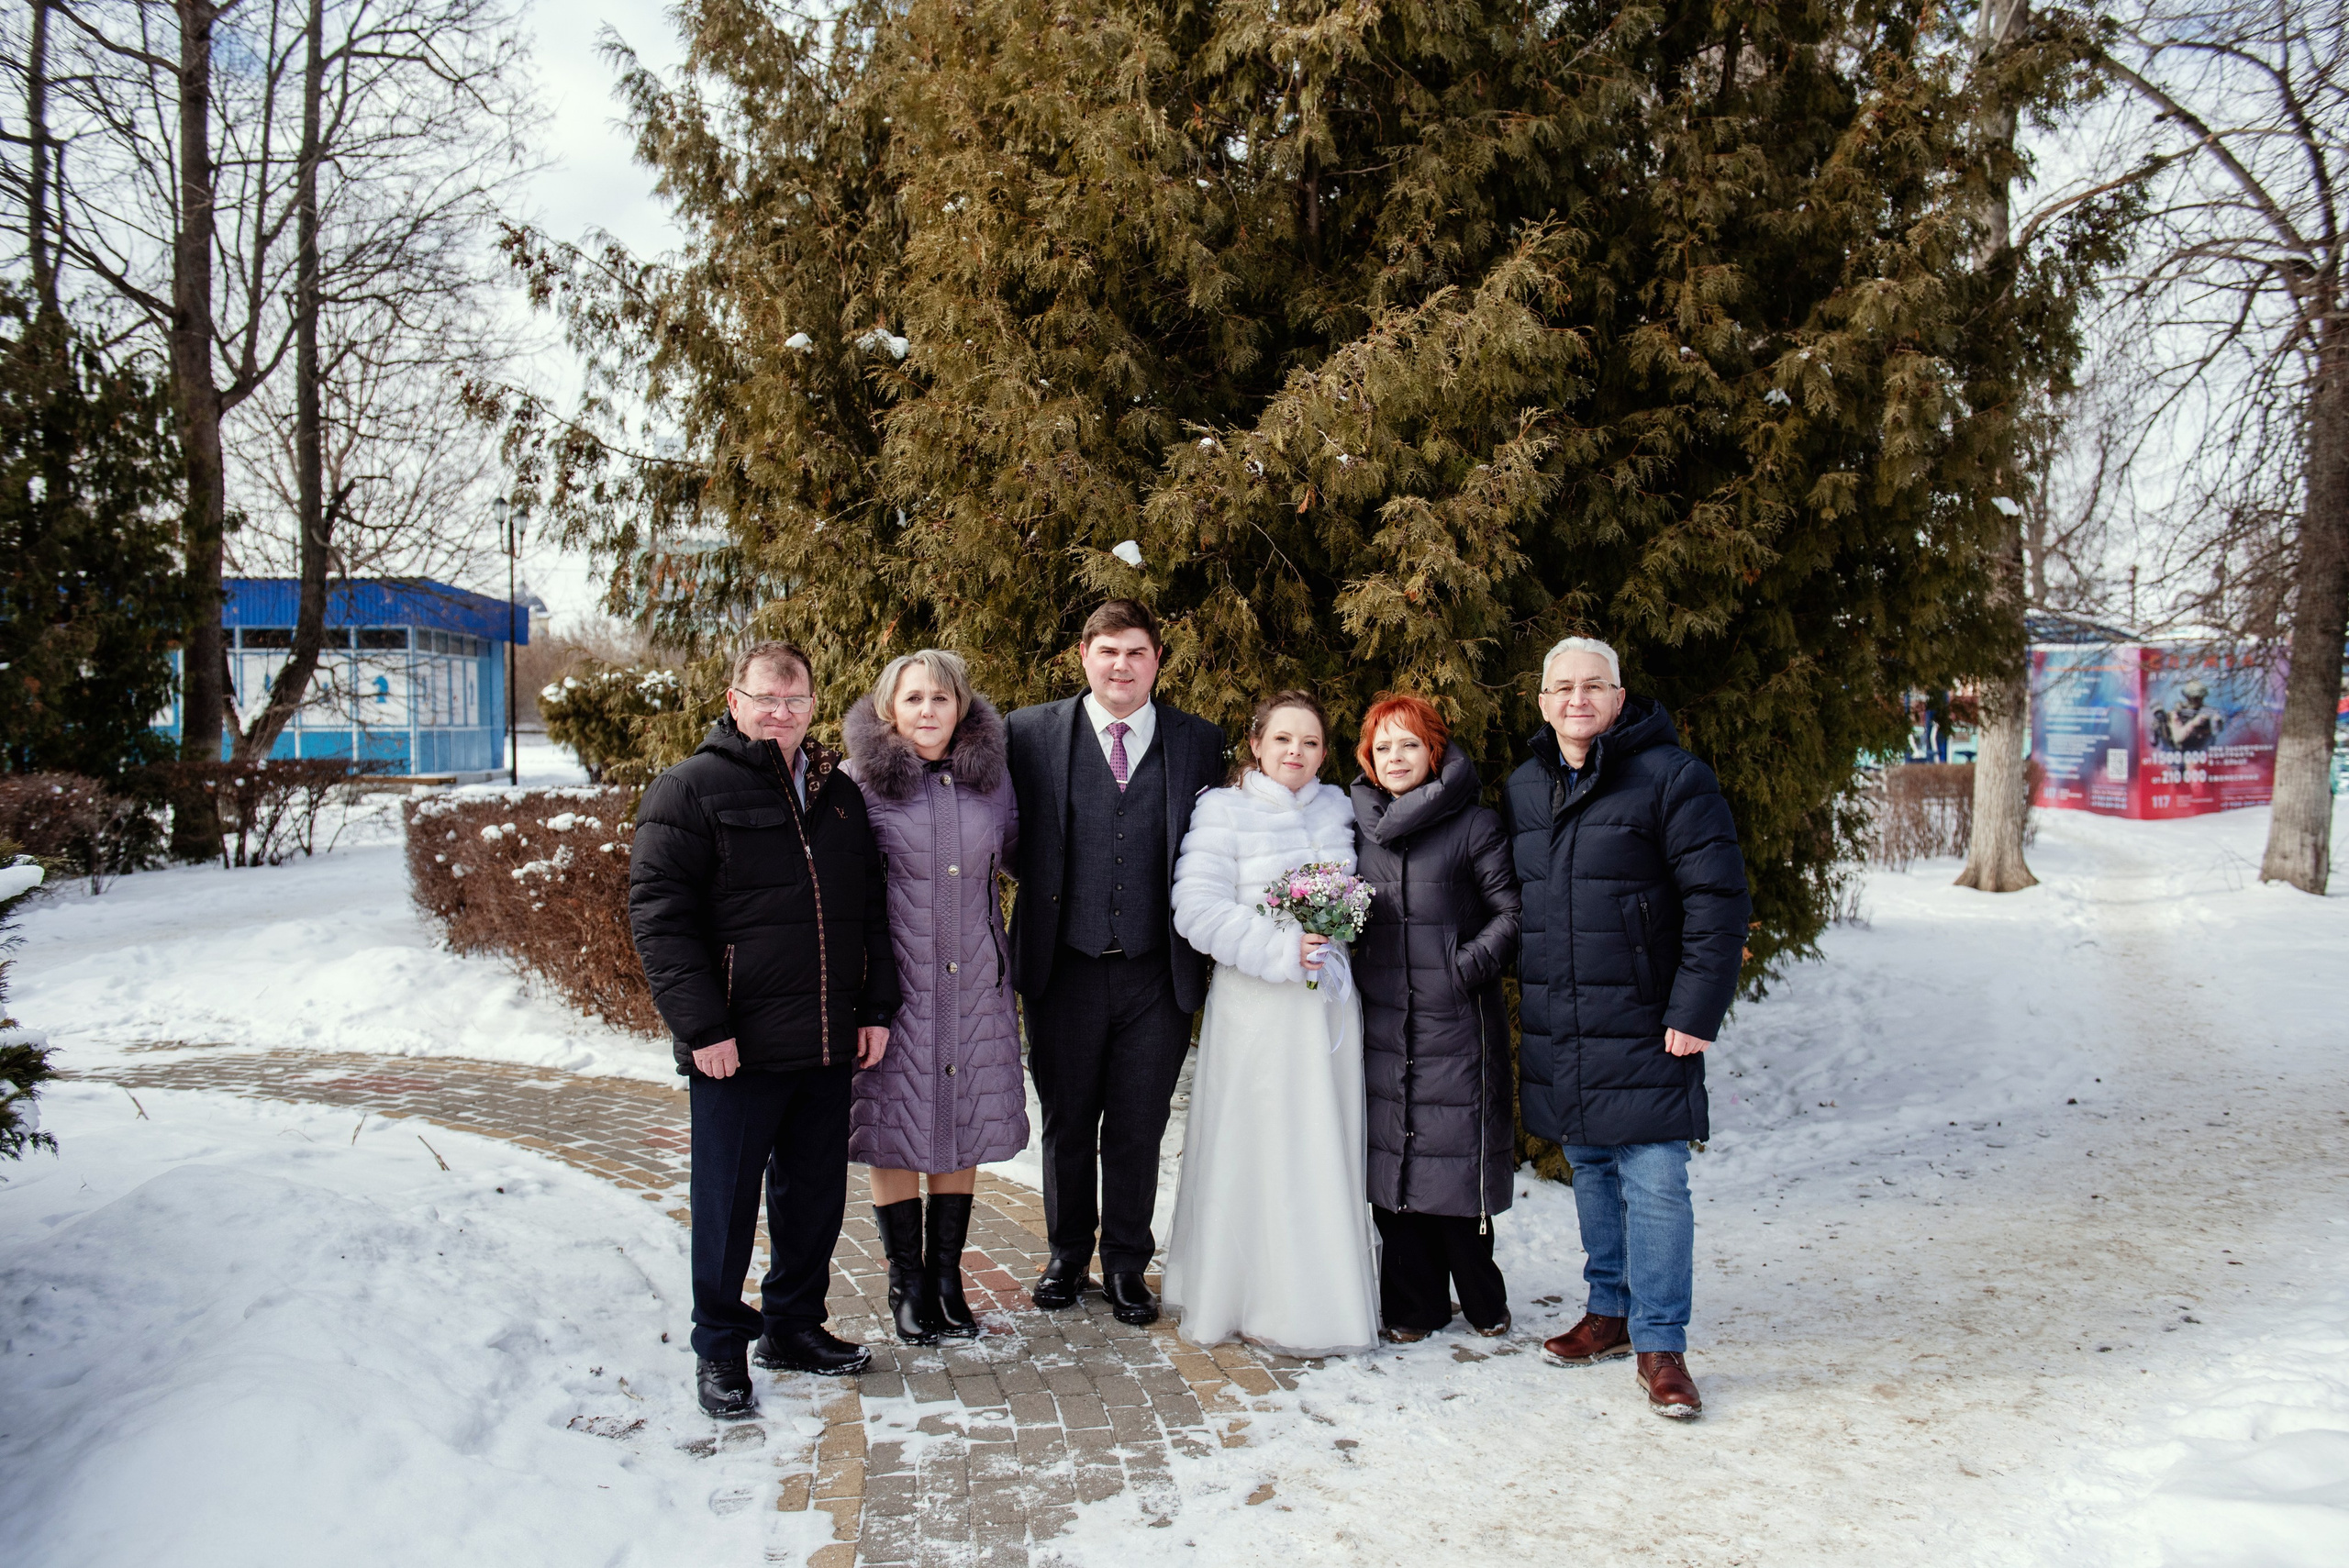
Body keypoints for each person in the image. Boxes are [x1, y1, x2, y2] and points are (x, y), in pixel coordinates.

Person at [629, 640, 898, 1418]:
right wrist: (702, 1027)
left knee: (812, 1193)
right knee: (727, 1201)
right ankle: (719, 1348)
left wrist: (876, 1007)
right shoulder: (689, 788)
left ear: (814, 704)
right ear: (734, 698)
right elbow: (660, 921)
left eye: (796, 700)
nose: (781, 713)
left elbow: (868, 912)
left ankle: (793, 1325)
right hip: (736, 1047)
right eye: (766, 698)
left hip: (824, 1036)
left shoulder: (838, 795)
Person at [1505, 635, 1750, 1420]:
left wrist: (1694, 1008)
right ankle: (1608, 1311)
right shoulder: (1524, 788)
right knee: (1592, 1169)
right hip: (1565, 1020)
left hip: (1646, 1020)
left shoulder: (1674, 777)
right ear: (1543, 703)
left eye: (1594, 685)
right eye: (1562, 687)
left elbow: (1719, 900)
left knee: (1653, 1179)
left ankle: (1661, 1343)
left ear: (1619, 695)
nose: (1577, 699)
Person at [1004, 601, 1227, 1325]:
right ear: (1083, 655)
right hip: (1063, 964)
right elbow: (1005, 838)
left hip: (1156, 969)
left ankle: (1128, 1262)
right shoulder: (1029, 733)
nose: (1121, 665)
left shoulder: (1199, 741)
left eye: (1136, 652)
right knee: (1068, 1119)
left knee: (1138, 1123)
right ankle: (1069, 1251)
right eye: (1108, 651)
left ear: (1157, 659)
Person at [1163, 690, 1379, 1356]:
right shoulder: (1223, 810)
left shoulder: (1342, 808)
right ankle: (1245, 1292)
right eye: (1283, 739)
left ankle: (1317, 1298)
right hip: (1257, 1005)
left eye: (1311, 742)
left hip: (1327, 1009)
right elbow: (1195, 909)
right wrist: (1280, 950)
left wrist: (1340, 932)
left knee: (1319, 1142)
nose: (1296, 753)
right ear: (1255, 743)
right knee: (1256, 1144)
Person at [841, 650, 1025, 1345]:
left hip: (975, 979)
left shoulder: (993, 782)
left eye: (940, 699)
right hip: (897, 983)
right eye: (913, 698)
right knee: (895, 1118)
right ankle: (905, 1282)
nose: (927, 711)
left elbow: (1017, 857)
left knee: (961, 1117)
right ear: (890, 706)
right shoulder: (859, 783)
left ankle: (948, 1279)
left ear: (961, 707)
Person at [1349, 693, 1521, 1343]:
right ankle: (1413, 1306)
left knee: (1454, 1168)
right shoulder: (1356, 826)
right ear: (1369, 757)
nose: (1396, 757)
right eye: (1383, 746)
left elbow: (1512, 913)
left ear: (1434, 751)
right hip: (1383, 1018)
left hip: (1455, 1020)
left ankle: (1482, 1299)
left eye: (1409, 744)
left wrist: (1463, 967)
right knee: (1394, 1164)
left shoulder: (1473, 825)